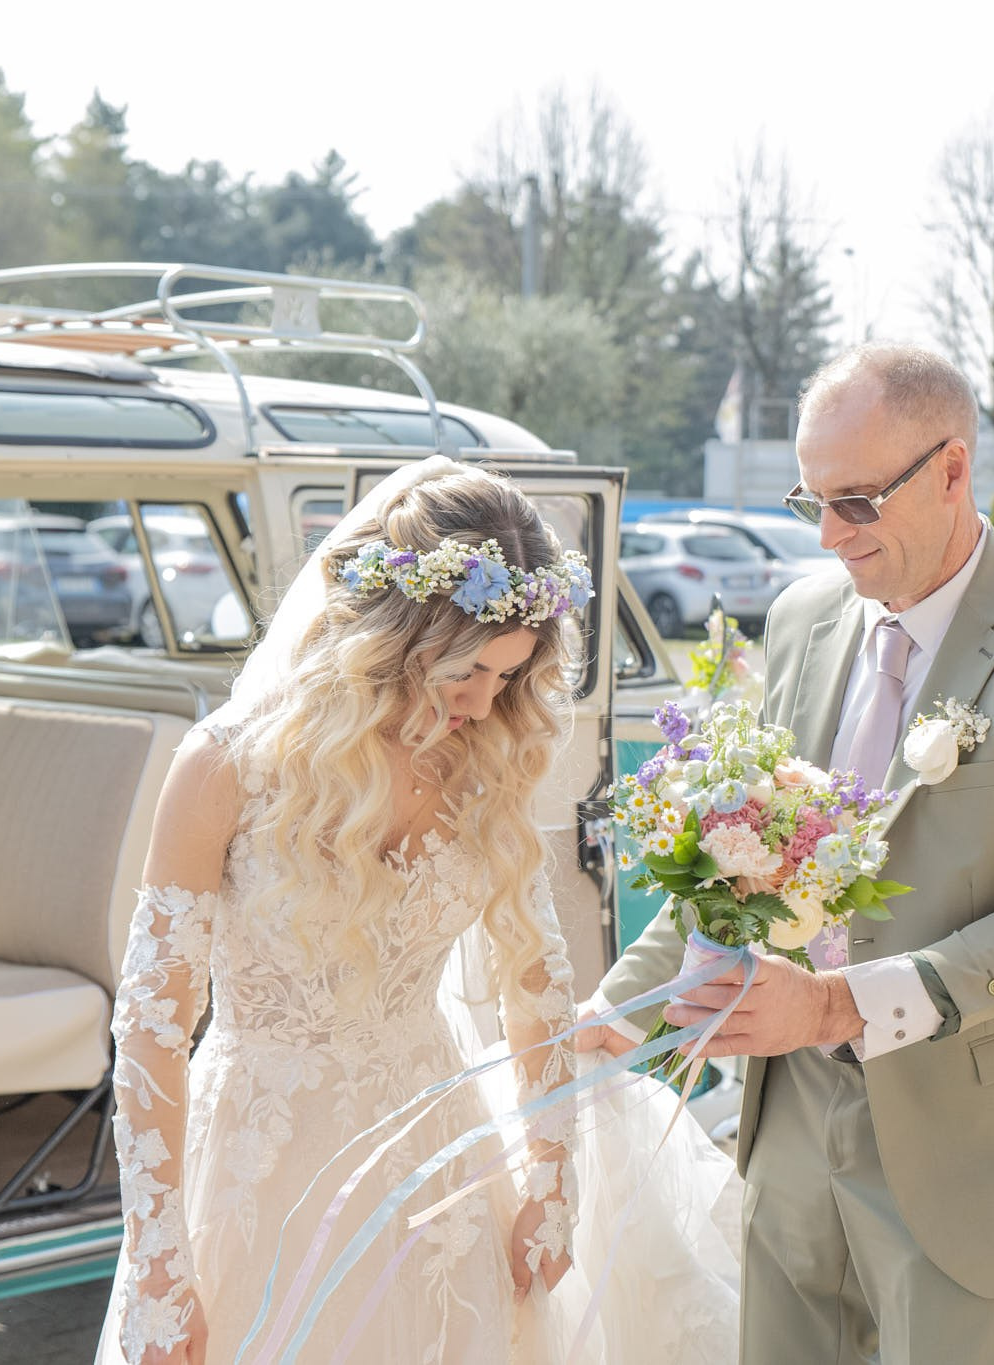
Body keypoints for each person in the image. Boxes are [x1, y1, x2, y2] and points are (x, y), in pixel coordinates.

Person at [582, 344, 994, 1365]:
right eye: (812, 503)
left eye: (856, 502)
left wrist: (835, 1007)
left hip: (963, 1140)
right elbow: (737, 853)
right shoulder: (802, 619)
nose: (830, 536)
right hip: (789, 1121)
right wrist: (613, 1012)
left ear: (951, 469)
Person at [97, 458, 738, 1365]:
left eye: (508, 677)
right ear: (394, 637)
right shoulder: (225, 768)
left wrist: (550, 1175)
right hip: (259, 1166)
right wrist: (160, 1256)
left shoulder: (481, 766)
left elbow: (534, 983)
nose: (484, 702)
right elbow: (153, 1025)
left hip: (441, 1174)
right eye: (466, 671)